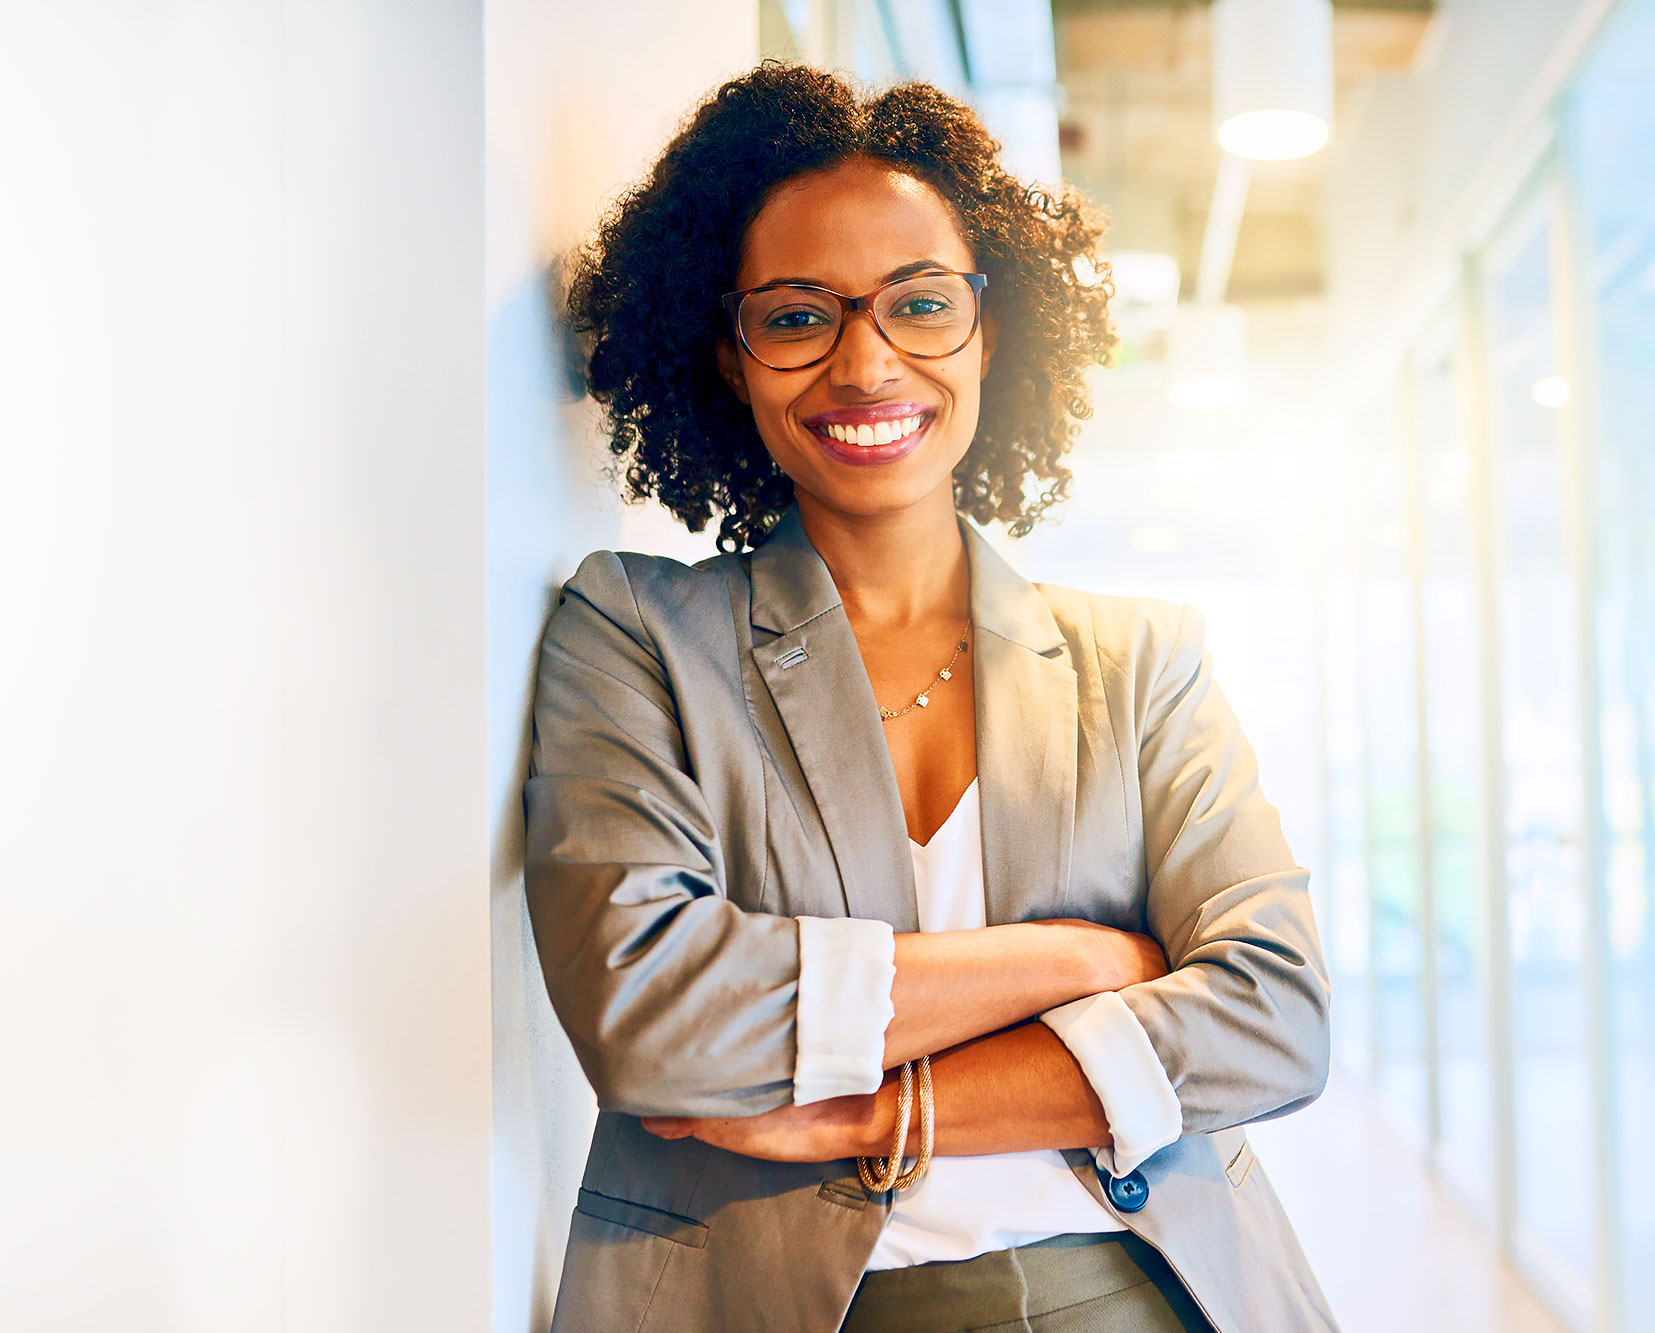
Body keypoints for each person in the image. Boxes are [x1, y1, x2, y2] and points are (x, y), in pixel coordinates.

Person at [526, 64, 1335, 1333]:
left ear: (989, 329)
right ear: (730, 359)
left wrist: (870, 1113)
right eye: (797, 317)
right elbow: (653, 1019)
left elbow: (1275, 1018)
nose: (865, 362)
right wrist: (1076, 961)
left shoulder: (1139, 661)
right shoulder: (638, 634)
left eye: (919, 304)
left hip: (1140, 1290)